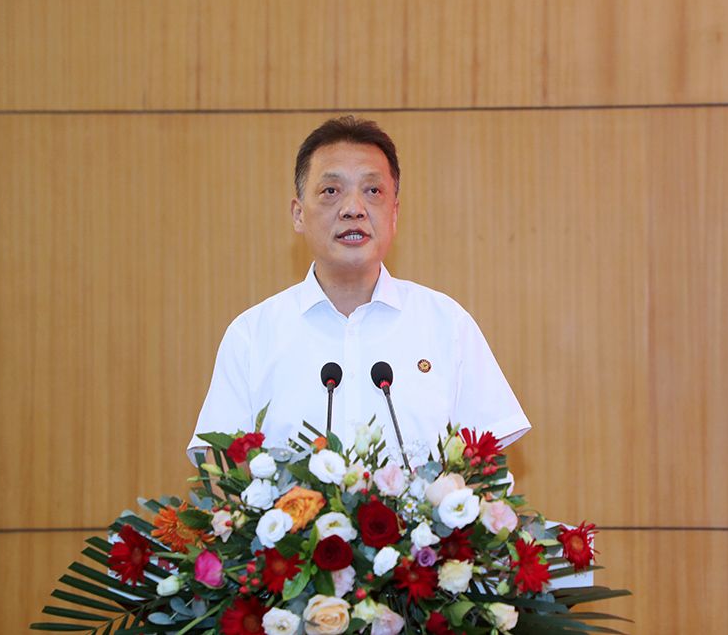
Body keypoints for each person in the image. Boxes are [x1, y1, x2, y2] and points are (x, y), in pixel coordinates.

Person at [187, 115, 529, 466]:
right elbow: (221, 477)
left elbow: (487, 473)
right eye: (331, 191)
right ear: (298, 214)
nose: (353, 209)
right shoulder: (252, 336)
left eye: (373, 191)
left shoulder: (447, 325)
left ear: (394, 213)